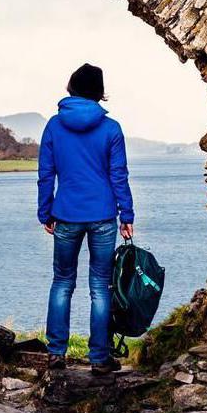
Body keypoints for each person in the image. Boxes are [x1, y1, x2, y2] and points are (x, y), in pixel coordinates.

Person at [38, 63, 135, 375]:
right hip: (104, 216)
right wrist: (127, 214)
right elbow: (118, 175)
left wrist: (45, 211)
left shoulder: (54, 125)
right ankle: (99, 357)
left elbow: (46, 174)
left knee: (63, 282)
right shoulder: (111, 128)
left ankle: (56, 353)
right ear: (99, 92)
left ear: (71, 87)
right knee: (100, 286)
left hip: (65, 214)